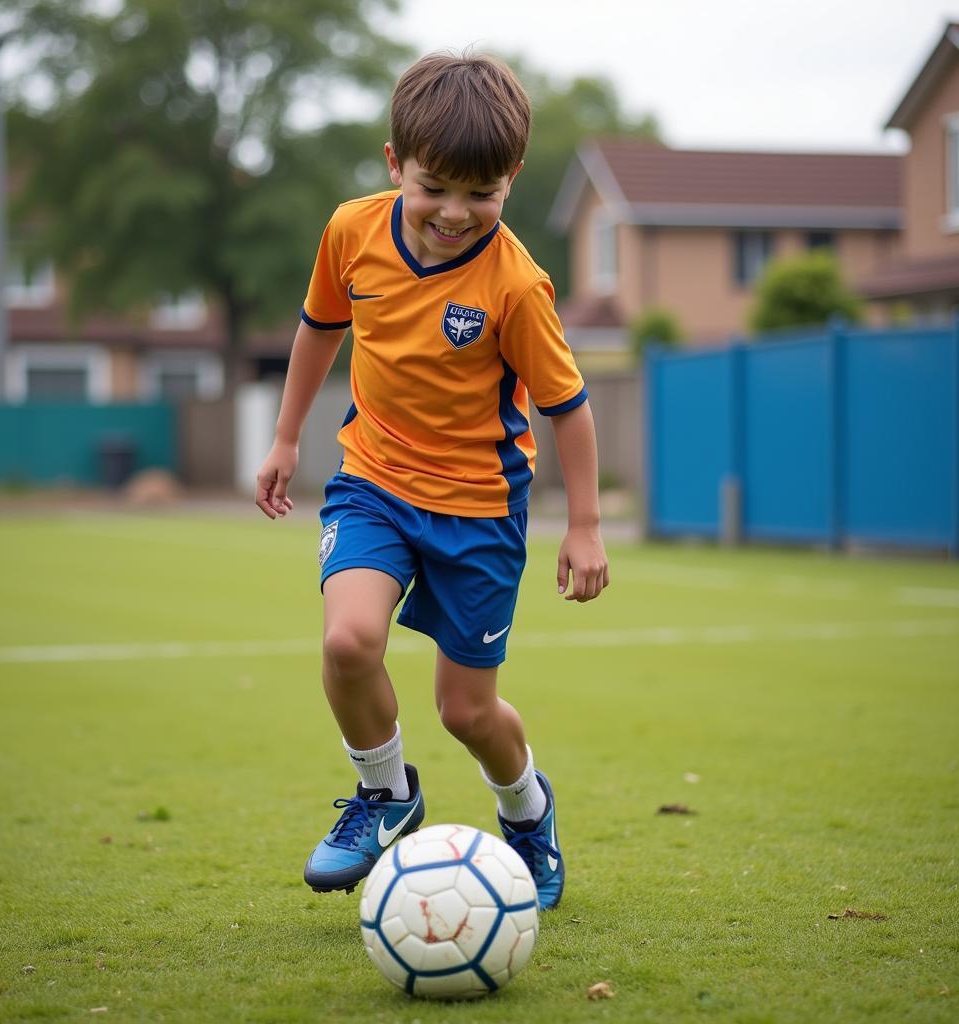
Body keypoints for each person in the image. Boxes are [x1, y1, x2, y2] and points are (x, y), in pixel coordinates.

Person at [255, 51, 609, 911]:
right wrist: (283, 437)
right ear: (394, 165)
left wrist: (588, 525)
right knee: (347, 644)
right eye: (434, 188)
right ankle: (385, 794)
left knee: (466, 712)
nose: (456, 213)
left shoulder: (518, 285)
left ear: (512, 180)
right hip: (372, 479)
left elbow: (569, 406)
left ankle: (528, 814)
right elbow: (317, 330)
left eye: (481, 194)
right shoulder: (351, 231)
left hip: (480, 511)